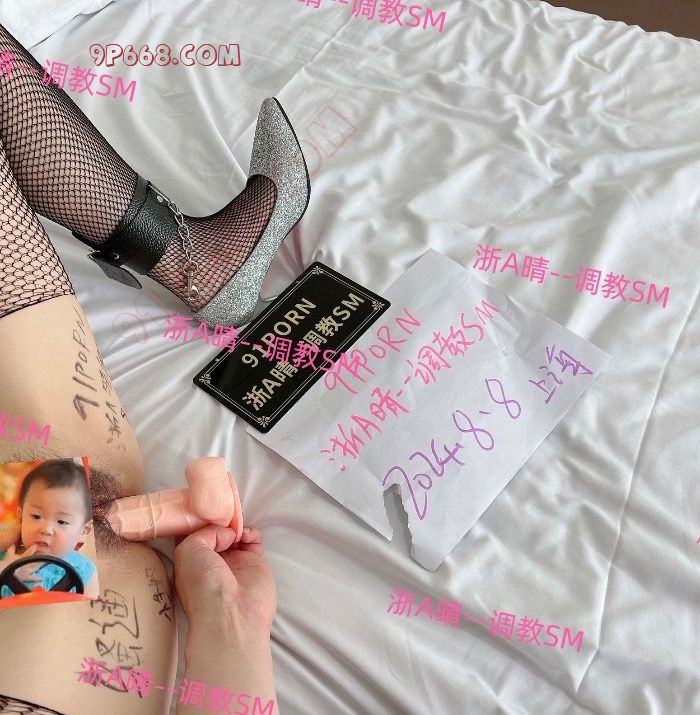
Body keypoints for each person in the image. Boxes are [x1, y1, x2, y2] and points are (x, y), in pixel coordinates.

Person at [0, 16, 306, 715]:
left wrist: (233, 629)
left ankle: (197, 259)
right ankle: (196, 260)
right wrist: (231, 627)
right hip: (70, 617)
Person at [0, 459, 98, 598]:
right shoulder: (6, 555)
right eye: (36, 516)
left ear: (83, 531)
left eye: (62, 521)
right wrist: (4, 568)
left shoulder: (85, 570)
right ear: (20, 518)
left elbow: (91, 609)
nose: (46, 530)